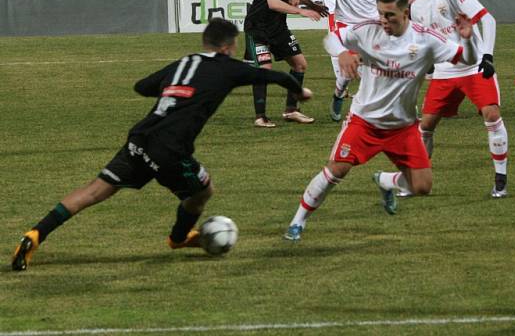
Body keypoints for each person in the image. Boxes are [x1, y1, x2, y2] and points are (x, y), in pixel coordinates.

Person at [11, 19, 312, 272]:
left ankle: (35, 234)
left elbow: (141, 86)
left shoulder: (184, 62)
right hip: (170, 150)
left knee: (94, 191)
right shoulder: (227, 68)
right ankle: (178, 238)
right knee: (203, 190)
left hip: (141, 138)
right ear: (228, 46)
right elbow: (275, 75)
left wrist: (172, 90)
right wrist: (300, 92)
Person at [283, 0, 481, 241]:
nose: (384, 21)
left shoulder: (426, 39)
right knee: (336, 170)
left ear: (406, 13)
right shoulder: (368, 29)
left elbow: (468, 60)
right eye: (380, 14)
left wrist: (467, 38)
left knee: (423, 186)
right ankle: (298, 221)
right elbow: (332, 38)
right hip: (364, 121)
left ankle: (386, 181)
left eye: (390, 15)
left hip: (403, 127)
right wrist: (342, 52)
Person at [290, 0, 421, 121]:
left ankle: (405, 103)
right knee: (348, 71)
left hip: (373, 20)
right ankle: (338, 92)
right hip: (346, 23)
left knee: (392, 60)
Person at [408, 0, 509, 197]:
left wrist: (487, 54)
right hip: (444, 73)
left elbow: (487, 19)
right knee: (426, 125)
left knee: (491, 114)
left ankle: (501, 179)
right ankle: (417, 180)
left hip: (473, 67)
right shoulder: (416, 6)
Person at [243, 0, 325, 128]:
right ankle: (260, 116)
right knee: (264, 69)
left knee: (300, 65)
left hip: (278, 28)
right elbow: (272, 3)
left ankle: (291, 110)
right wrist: (302, 11)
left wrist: (312, 4)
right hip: (258, 28)